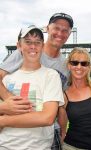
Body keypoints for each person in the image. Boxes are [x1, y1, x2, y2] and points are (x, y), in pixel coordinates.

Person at [0, 12, 73, 150]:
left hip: (46, 131)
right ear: (48, 28)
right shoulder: (25, 52)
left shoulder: (65, 65)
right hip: (11, 138)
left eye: (65, 30)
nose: (60, 33)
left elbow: (59, 105)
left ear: (69, 34)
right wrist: (10, 102)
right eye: (56, 28)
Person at [58, 47, 91, 150]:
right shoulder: (64, 95)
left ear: (88, 67)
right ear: (69, 65)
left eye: (84, 63)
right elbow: (62, 130)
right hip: (71, 146)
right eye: (75, 63)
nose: (79, 67)